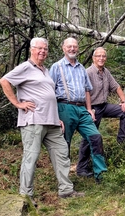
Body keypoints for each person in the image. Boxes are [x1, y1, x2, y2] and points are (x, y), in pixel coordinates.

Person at [0, 37, 84, 202]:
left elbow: (49, 95)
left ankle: (66, 190)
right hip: (33, 120)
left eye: (45, 49)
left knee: (61, 153)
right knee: (31, 157)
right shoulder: (25, 67)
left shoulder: (44, 70)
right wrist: (17, 103)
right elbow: (4, 81)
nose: (42, 52)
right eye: (39, 48)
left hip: (52, 121)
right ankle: (25, 196)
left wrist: (57, 118)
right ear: (32, 49)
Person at [49, 37, 107, 183]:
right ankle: (64, 180)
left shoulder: (81, 68)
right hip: (64, 107)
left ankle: (100, 173)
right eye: (69, 46)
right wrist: (55, 115)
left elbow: (87, 90)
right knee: (64, 143)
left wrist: (89, 109)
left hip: (81, 108)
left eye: (75, 46)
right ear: (63, 48)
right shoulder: (57, 67)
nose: (72, 49)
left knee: (95, 137)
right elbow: (49, 91)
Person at [77, 47, 125, 176]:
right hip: (92, 108)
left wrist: (124, 101)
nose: (101, 58)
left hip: (104, 106)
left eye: (103, 56)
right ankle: (81, 168)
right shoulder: (87, 73)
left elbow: (116, 87)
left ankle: (122, 141)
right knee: (90, 137)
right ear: (93, 58)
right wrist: (88, 110)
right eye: (98, 56)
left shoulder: (106, 72)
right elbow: (82, 92)